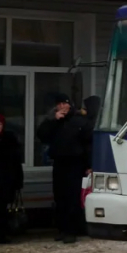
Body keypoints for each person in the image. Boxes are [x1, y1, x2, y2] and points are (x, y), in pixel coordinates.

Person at [37, 94, 93, 244]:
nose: (62, 107)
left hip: (76, 163)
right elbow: (42, 135)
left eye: (64, 104)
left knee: (73, 198)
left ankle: (71, 231)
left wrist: (89, 165)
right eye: (59, 104)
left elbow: (89, 145)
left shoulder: (80, 121)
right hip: (59, 162)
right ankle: (62, 229)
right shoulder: (53, 121)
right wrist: (53, 120)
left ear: (70, 105)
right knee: (59, 196)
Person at [0, 113, 23, 244]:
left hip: (5, 182)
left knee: (2, 210)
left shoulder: (9, 140)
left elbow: (16, 163)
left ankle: (1, 235)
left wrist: (18, 182)